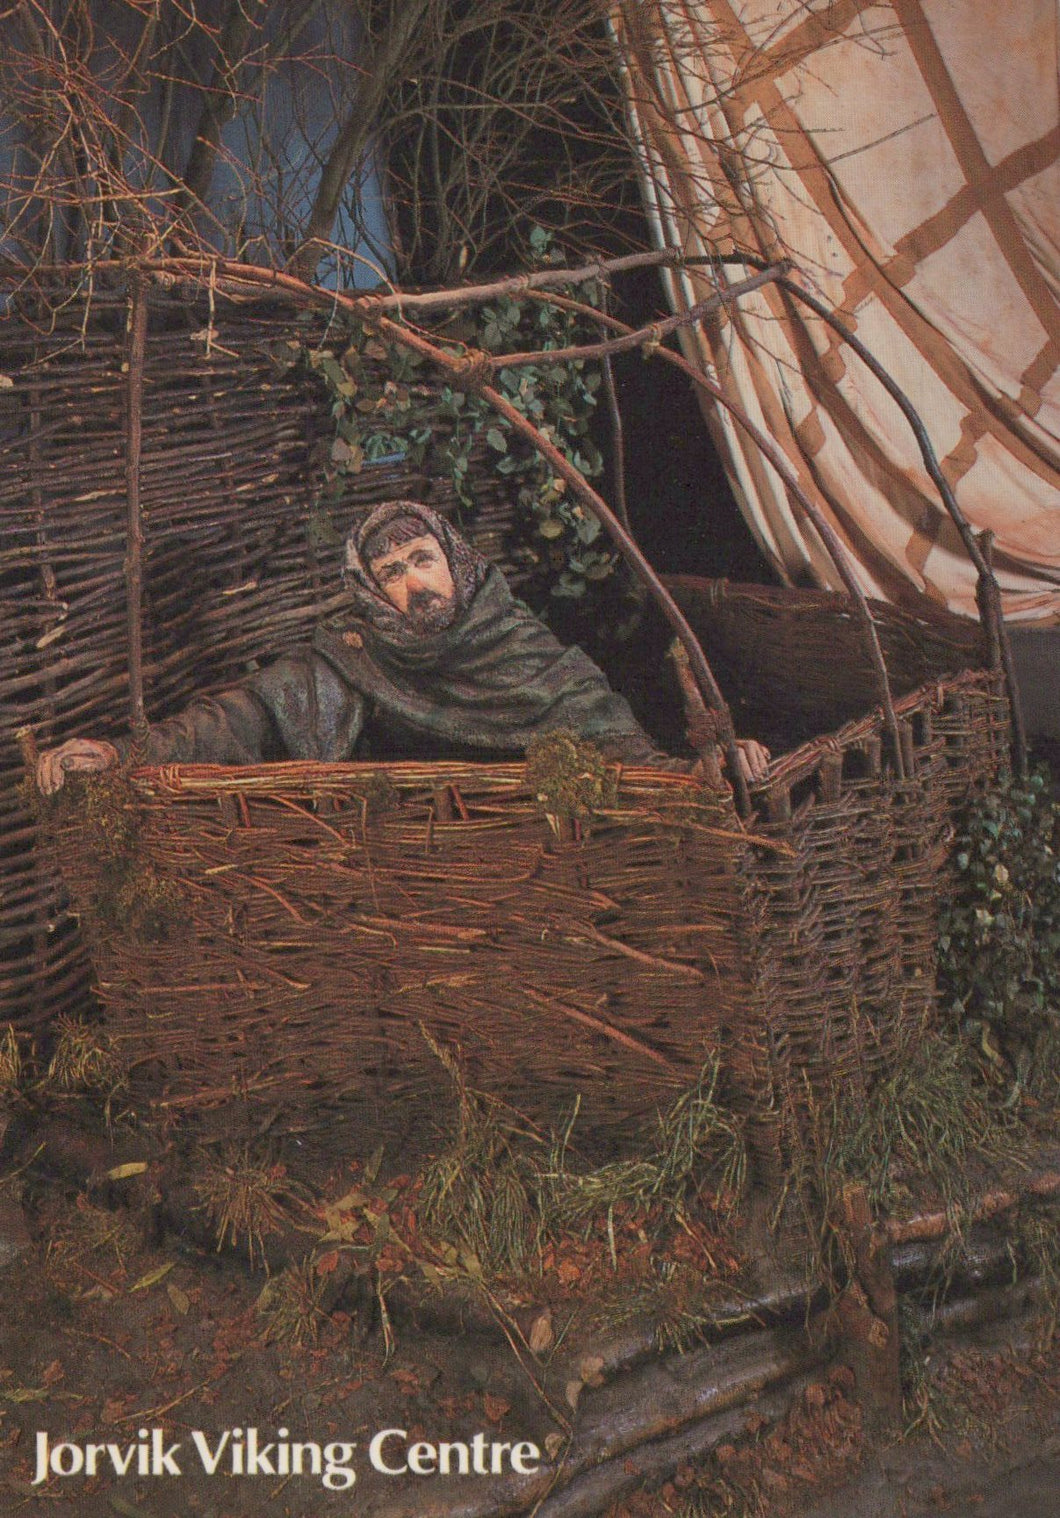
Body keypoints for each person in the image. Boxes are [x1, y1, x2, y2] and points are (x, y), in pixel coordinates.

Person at [36, 500, 769, 792]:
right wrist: (122, 754)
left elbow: (620, 751)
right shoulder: (356, 659)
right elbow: (243, 719)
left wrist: (702, 774)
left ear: (455, 562)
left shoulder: (522, 648)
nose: (415, 584)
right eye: (391, 573)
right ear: (371, 591)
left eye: (423, 560)